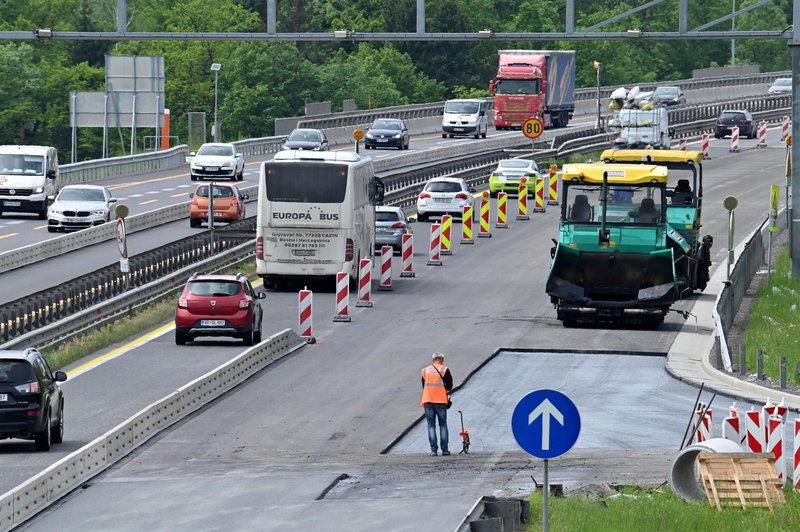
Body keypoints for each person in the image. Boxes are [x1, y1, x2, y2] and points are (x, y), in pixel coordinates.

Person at [420, 352, 453, 456]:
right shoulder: (444, 369)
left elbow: (423, 386)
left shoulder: (425, 371)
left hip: (428, 401)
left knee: (431, 426)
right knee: (443, 425)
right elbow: (449, 386)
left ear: (433, 359)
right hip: (441, 401)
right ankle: (445, 450)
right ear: (442, 360)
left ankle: (434, 451)